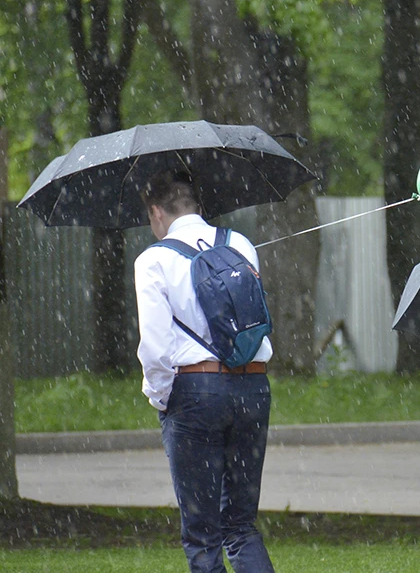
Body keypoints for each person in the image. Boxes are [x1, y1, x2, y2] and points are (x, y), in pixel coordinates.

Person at [134, 169, 275, 573]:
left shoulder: (153, 260)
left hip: (195, 390)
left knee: (202, 533)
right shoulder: (240, 244)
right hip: (253, 384)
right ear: (195, 206)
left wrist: (162, 399)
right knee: (241, 525)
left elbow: (156, 349)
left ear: (157, 211)